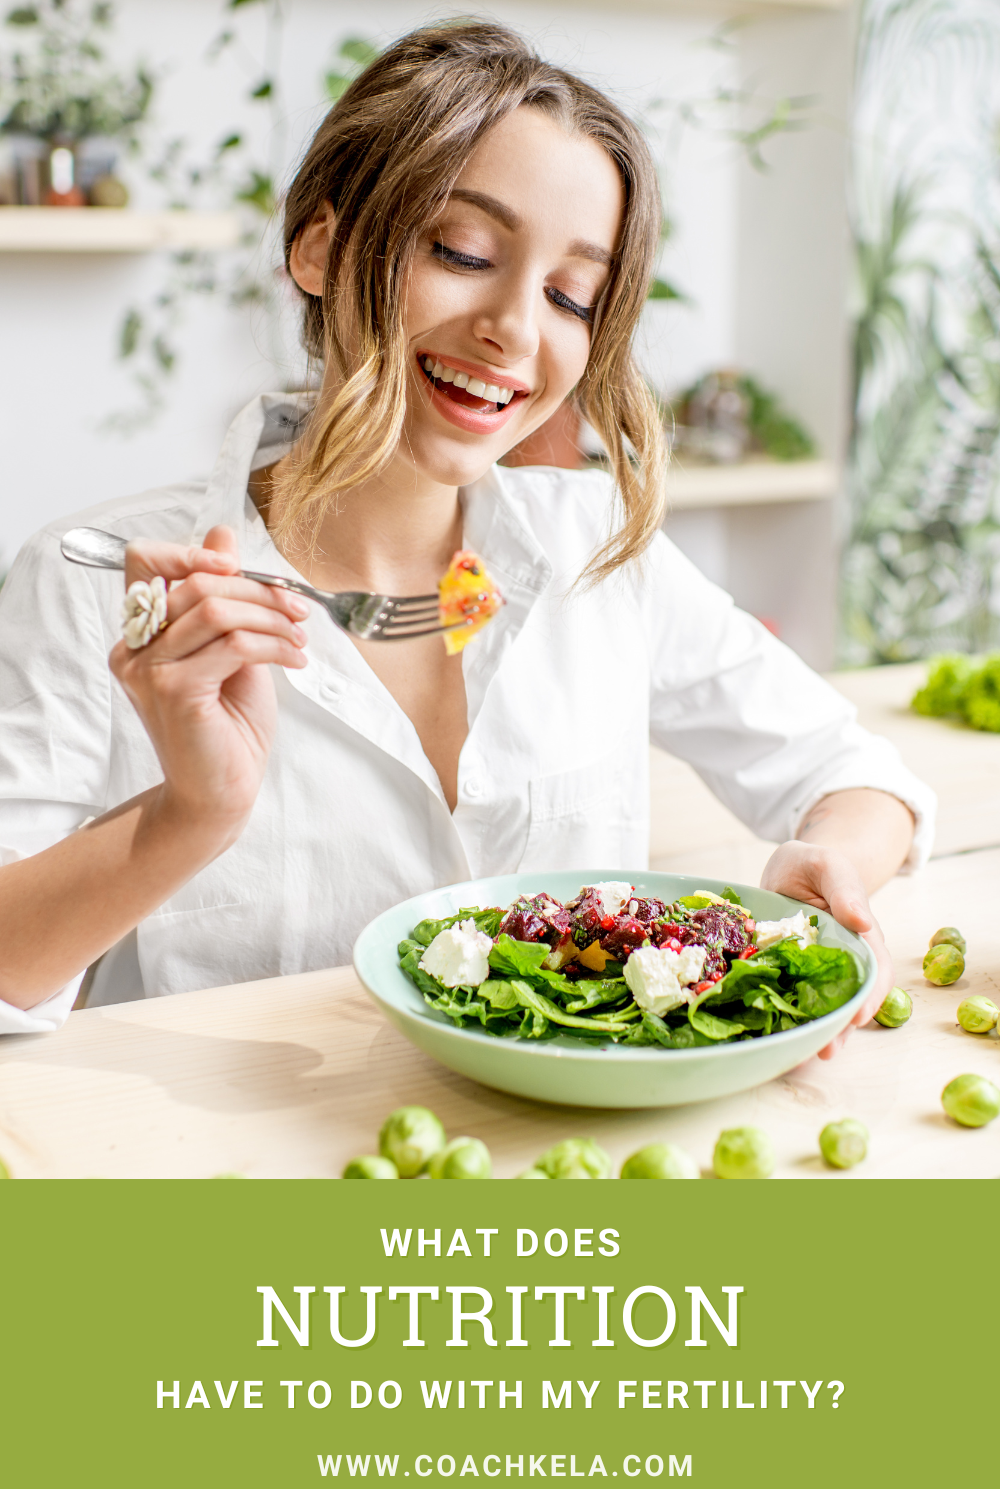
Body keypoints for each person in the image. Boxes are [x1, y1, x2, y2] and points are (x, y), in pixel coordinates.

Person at [0, 22, 932, 1056]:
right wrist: (191, 815)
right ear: (319, 247)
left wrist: (829, 869)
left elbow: (853, 774)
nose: (516, 331)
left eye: (571, 295)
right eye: (463, 252)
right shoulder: (95, 580)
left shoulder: (595, 552)